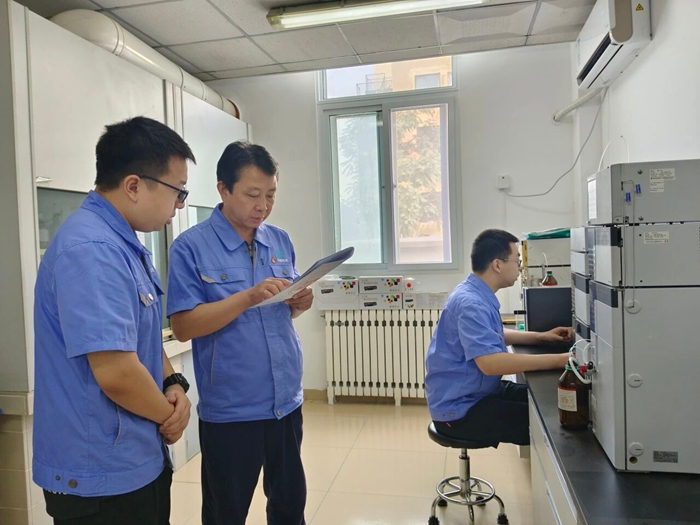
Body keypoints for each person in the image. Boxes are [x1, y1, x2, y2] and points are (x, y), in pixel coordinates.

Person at [33, 116, 195, 525]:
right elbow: (116, 373)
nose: (179, 205)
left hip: (134, 458)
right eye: (177, 191)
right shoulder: (92, 250)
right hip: (100, 477)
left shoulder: (124, 244)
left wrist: (173, 383)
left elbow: (140, 337)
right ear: (134, 186)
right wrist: (169, 415)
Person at [167, 141, 313, 525]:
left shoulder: (279, 239)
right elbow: (183, 326)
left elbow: (283, 311)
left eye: (271, 195)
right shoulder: (191, 247)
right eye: (252, 194)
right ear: (223, 189)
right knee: (226, 513)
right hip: (232, 411)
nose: (263, 206)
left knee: (289, 507)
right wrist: (246, 297)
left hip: (285, 402)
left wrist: (299, 301)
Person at [425, 228, 573, 446]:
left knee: (549, 399)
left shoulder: (474, 292)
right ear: (497, 264)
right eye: (517, 261)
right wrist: (561, 360)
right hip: (460, 410)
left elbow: (493, 334)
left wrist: (542, 337)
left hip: (476, 392)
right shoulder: (471, 303)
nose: (520, 267)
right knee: (552, 421)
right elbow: (491, 363)